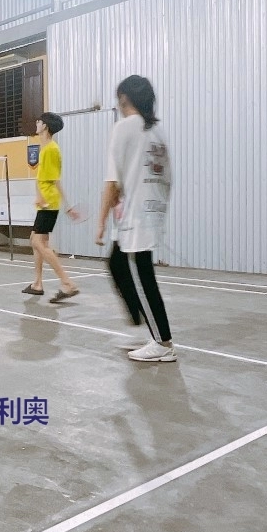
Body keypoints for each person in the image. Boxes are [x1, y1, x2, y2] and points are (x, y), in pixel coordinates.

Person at [96, 75, 176, 363]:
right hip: (150, 211)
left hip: (136, 217)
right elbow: (168, 178)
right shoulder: (157, 131)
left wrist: (100, 222)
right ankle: (142, 326)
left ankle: (162, 342)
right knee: (117, 264)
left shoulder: (124, 127)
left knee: (142, 277)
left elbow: (112, 182)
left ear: (124, 98)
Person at [21, 112, 81, 303]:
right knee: (36, 240)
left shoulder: (51, 150)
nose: (36, 123)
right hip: (46, 202)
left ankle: (67, 283)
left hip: (48, 203)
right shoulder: (46, 148)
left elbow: (54, 180)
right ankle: (37, 283)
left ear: (45, 126)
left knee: (39, 243)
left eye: (39, 121)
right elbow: (46, 178)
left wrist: (64, 204)